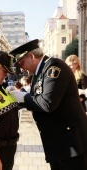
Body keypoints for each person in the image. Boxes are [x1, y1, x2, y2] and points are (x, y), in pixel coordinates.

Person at [9, 39, 87, 170]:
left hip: (70, 141)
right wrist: (19, 94)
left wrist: (23, 97)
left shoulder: (54, 67)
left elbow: (47, 103)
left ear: (31, 56)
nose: (21, 67)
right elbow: (37, 97)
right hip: (58, 141)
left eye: (21, 63)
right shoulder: (40, 72)